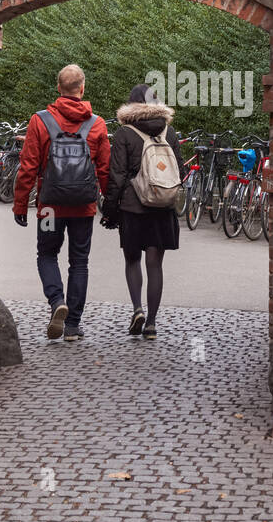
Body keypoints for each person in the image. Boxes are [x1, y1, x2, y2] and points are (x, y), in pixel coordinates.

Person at [12, 64, 110, 342]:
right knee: (79, 261)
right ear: (82, 88)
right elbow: (105, 170)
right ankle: (73, 326)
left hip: (49, 206)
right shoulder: (97, 124)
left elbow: (28, 167)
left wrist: (21, 205)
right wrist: (110, 206)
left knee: (46, 254)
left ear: (58, 88)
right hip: (83, 206)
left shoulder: (40, 121)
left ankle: (57, 302)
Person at [100, 84, 183, 340]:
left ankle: (137, 309)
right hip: (162, 205)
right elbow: (179, 169)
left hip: (133, 207)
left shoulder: (125, 133)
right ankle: (152, 323)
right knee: (155, 264)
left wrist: (109, 209)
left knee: (132, 260)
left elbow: (117, 175)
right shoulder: (170, 133)